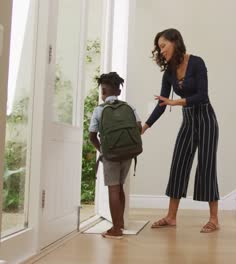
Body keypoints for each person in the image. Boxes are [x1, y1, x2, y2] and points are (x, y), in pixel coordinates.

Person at [141, 28, 220, 233]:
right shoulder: (169, 72)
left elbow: (202, 96)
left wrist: (176, 102)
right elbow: (162, 103)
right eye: (159, 48)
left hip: (206, 120)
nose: (161, 51)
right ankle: (171, 217)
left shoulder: (197, 62)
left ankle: (214, 219)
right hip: (188, 121)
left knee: (206, 166)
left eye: (163, 45)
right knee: (178, 165)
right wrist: (145, 126)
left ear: (175, 42)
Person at [89, 72, 142, 239]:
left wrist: (102, 150)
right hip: (128, 154)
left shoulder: (99, 110)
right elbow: (138, 128)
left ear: (103, 92)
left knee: (113, 189)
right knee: (120, 187)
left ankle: (116, 229)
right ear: (118, 92)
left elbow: (92, 136)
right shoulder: (129, 107)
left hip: (110, 155)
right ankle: (121, 223)